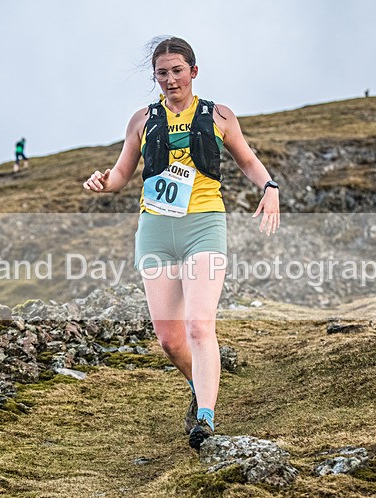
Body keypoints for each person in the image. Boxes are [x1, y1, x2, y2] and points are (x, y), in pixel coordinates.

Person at [83, 36, 280, 450]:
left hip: (204, 226)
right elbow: (121, 173)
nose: (170, 79)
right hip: (155, 229)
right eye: (162, 73)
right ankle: (199, 385)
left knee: (198, 325)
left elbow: (247, 159)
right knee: (169, 340)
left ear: (193, 71)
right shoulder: (142, 119)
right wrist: (104, 183)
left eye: (177, 70)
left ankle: (205, 416)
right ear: (155, 77)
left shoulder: (219, 115)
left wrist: (270, 186)